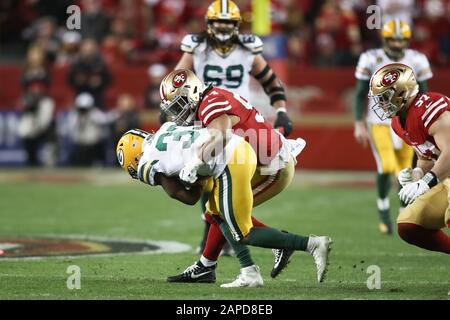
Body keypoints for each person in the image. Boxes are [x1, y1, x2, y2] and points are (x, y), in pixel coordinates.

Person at [116, 124, 332, 287]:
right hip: (236, 146)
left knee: (237, 228)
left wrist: (195, 181)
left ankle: (308, 244)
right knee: (215, 211)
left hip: (227, 162)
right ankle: (210, 267)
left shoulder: (147, 163)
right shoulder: (167, 127)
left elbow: (188, 197)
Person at [159, 69, 306, 286]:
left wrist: (195, 163)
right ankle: (206, 266)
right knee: (216, 211)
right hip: (258, 161)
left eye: (179, 104)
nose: (177, 112)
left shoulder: (209, 103)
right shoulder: (209, 98)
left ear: (192, 93)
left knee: (222, 213)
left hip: (271, 166)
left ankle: (293, 244)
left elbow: (223, 135)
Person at [174, 0, 293, 257]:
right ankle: (218, 239)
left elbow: (270, 81)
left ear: (237, 25)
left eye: (229, 22)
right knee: (207, 179)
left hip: (238, 119)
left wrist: (281, 110)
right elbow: (178, 78)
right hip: (207, 116)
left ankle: (223, 240)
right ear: (209, 24)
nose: (224, 27)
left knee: (232, 179)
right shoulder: (197, 46)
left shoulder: (248, 48)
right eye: (219, 22)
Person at [353, 19, 433, 234]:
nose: (397, 44)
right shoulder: (371, 58)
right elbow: (360, 93)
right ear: (385, 39)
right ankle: (383, 212)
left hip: (407, 120)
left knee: (405, 170)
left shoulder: (417, 59)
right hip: (379, 121)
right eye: (393, 40)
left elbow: (424, 94)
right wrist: (358, 123)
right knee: (387, 167)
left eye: (401, 40)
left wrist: (425, 122)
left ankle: (404, 214)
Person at [368, 63, 450, 254]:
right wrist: (418, 173)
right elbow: (428, 155)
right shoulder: (399, 122)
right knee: (409, 225)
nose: (380, 104)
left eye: (385, 97)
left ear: (402, 93)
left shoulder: (428, 107)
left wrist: (425, 183)